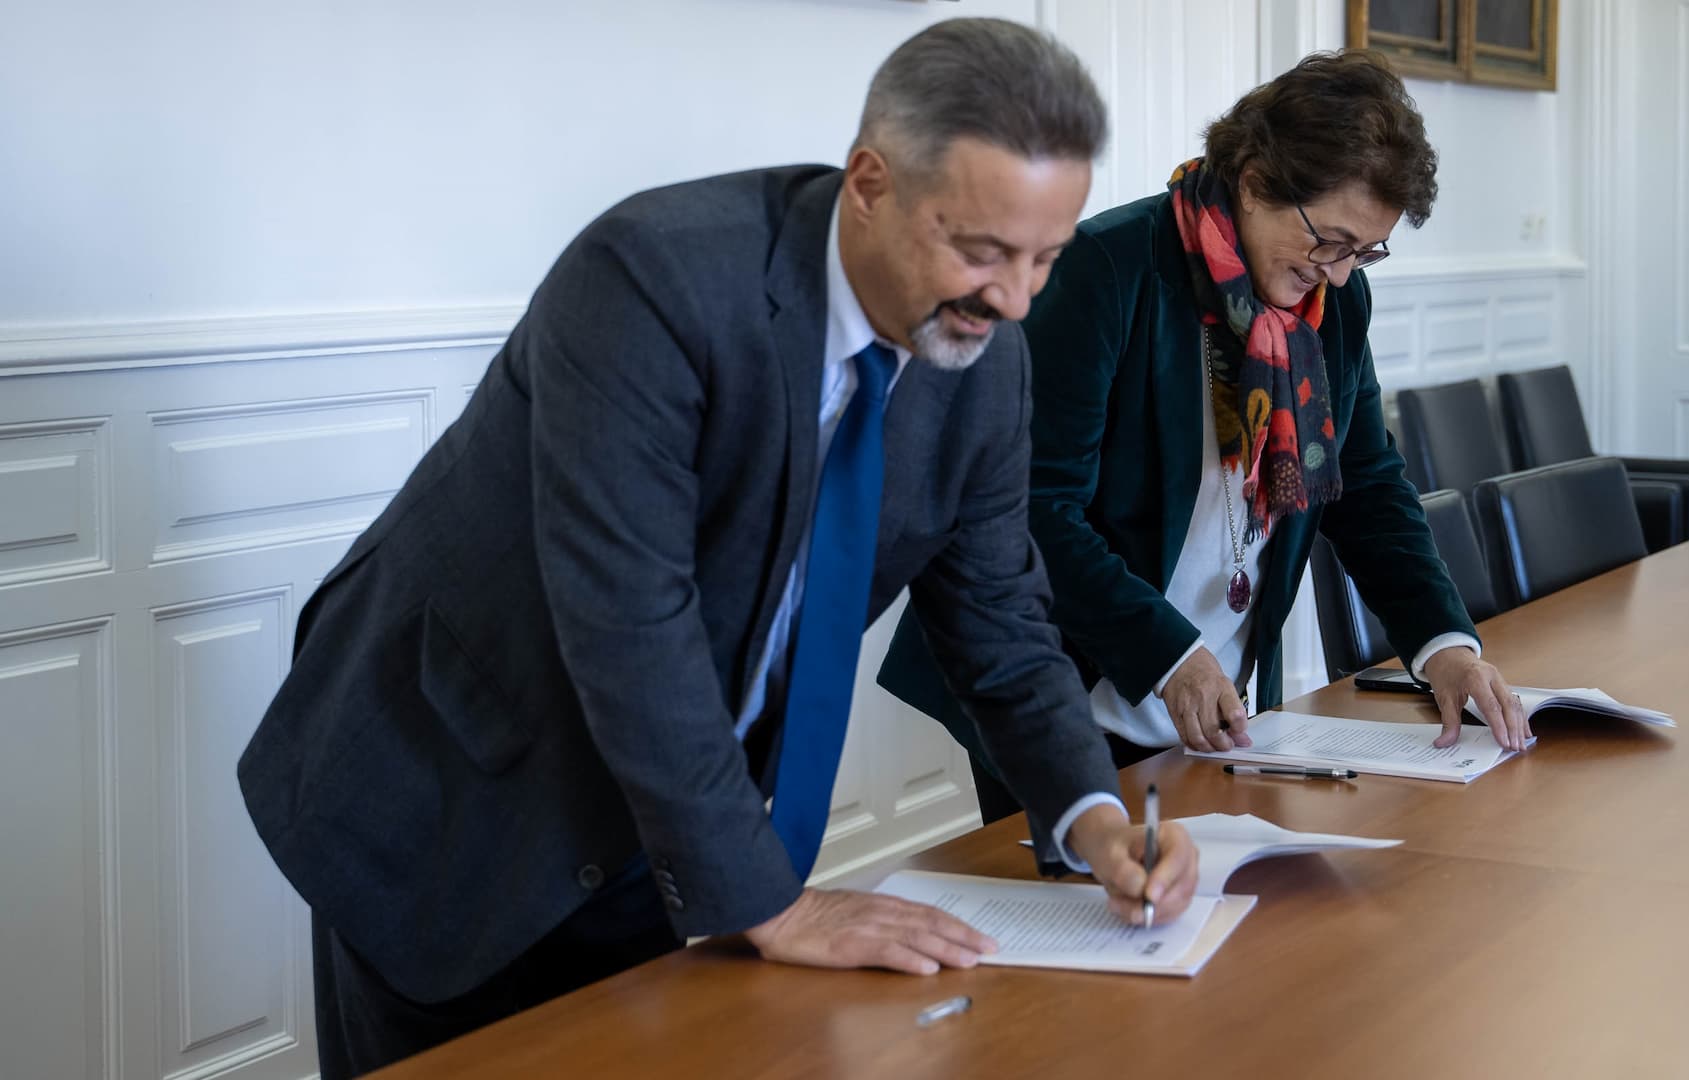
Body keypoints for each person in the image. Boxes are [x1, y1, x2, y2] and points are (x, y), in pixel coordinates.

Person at [237, 19, 1197, 1077]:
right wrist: (773, 901)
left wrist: (1094, 816)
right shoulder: (653, 278)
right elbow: (628, 621)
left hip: (660, 816)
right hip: (449, 789)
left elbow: (1004, 624)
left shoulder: (988, 359)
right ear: (869, 183)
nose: (1014, 299)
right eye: (981, 251)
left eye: (1046, 259)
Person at [880, 50, 1531, 823]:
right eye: (1331, 239)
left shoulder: (1333, 308)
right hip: (1057, 678)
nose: (1342, 273)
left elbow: (1368, 481)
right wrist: (1169, 653)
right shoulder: (1107, 271)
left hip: (1212, 692)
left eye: (1367, 251)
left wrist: (1443, 643)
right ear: (1255, 180)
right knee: (1079, 918)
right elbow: (1033, 508)